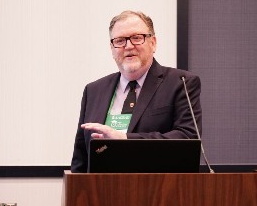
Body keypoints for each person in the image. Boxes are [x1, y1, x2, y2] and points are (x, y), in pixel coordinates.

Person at [71, 10, 202, 173]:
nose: (128, 46)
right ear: (112, 48)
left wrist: (124, 139)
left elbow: (187, 139)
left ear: (153, 42)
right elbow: (81, 158)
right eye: (119, 41)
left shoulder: (180, 83)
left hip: (160, 193)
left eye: (136, 38)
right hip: (101, 194)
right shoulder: (94, 90)